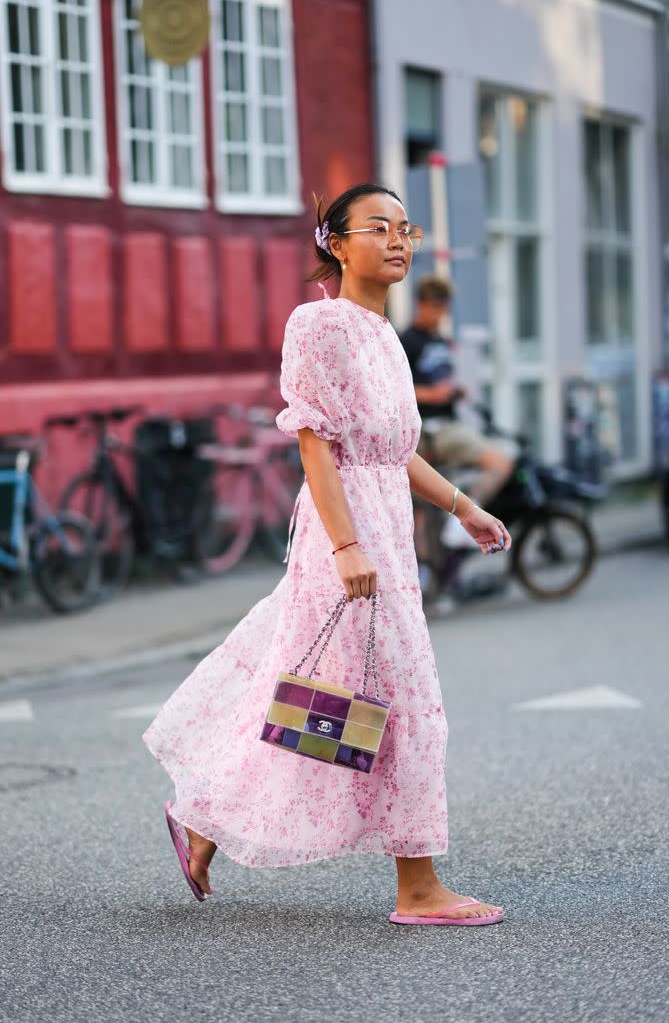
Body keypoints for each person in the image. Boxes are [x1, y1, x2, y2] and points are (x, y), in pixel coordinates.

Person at [142, 183, 511, 926]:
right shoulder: (317, 325)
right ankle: (417, 889)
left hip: (384, 525)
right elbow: (317, 443)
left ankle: (203, 821)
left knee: (324, 695)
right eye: (378, 228)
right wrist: (345, 546)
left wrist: (462, 506)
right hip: (345, 529)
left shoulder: (381, 335)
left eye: (405, 228)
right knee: (401, 704)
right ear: (334, 243)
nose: (398, 240)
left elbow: (390, 449)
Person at [400, 275, 514, 508]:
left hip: (448, 424)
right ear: (421, 304)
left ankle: (456, 518)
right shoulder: (406, 341)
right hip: (429, 429)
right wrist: (433, 394)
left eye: (444, 306)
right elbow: (393, 390)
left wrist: (455, 391)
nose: (440, 312)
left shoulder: (441, 341)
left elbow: (440, 380)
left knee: (504, 454)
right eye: (436, 305)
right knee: (499, 462)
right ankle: (466, 517)